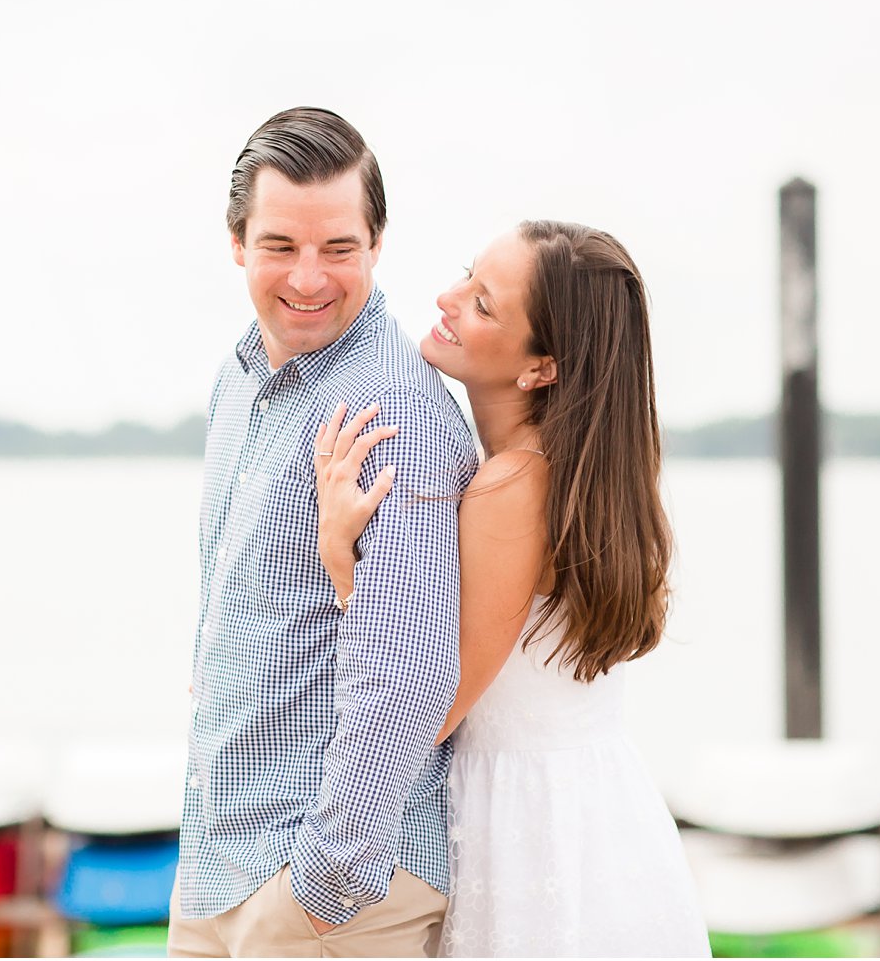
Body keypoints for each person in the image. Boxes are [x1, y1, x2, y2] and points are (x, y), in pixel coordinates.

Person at [313, 221, 712, 957]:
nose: (447, 298)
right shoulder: (568, 475)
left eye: (484, 304)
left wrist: (343, 564)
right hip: (599, 817)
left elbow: (432, 706)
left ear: (541, 368)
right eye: (468, 276)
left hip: (526, 832)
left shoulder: (511, 485)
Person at [169, 107, 480, 958]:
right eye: (280, 246)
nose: (309, 277)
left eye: (338, 248)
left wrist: (317, 889)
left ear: (377, 243)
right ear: (237, 241)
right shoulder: (237, 382)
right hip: (214, 864)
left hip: (324, 897)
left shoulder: (395, 410)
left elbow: (412, 673)